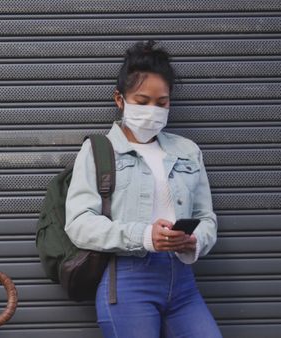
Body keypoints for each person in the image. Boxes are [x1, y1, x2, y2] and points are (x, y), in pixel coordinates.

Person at [64, 40, 222, 338]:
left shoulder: (187, 151)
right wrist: (146, 236)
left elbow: (206, 217)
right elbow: (79, 224)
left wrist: (194, 240)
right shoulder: (99, 150)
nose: (152, 110)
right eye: (142, 100)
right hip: (128, 281)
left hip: (183, 282)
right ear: (119, 99)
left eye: (161, 103)